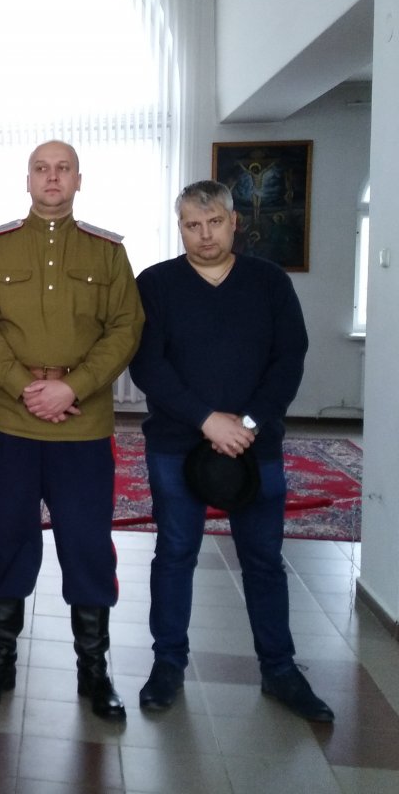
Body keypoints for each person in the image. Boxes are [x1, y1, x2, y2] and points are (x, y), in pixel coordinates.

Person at [128, 180, 333, 722]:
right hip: (176, 443)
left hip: (254, 446)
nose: (204, 235)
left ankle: (280, 669)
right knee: (175, 553)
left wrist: (247, 422)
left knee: (263, 559)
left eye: (214, 222)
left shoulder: (268, 282)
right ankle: (167, 664)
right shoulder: (156, 284)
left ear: (234, 221)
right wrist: (205, 419)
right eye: (192, 225)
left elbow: (289, 358)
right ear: (180, 228)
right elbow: (148, 364)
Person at [0, 140, 144, 721]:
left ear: (78, 180)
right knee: (7, 536)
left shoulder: (108, 252)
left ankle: (94, 669)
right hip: (12, 422)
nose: (52, 177)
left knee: (87, 543)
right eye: (42, 169)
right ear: (28, 180)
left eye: (63, 169)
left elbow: (126, 328)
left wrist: (74, 386)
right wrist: (23, 386)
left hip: (82, 423)